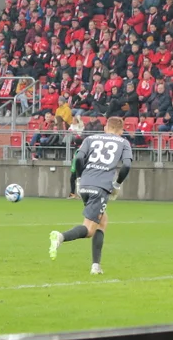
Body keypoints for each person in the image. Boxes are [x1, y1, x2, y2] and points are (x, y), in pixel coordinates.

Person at [48, 117, 133, 275]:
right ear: (121, 130)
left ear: (106, 127)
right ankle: (61, 237)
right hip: (100, 187)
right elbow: (127, 165)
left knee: (103, 221)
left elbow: (79, 158)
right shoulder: (123, 142)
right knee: (89, 230)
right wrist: (117, 184)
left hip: (85, 184)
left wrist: (79, 179)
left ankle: (96, 266)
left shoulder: (90, 138)